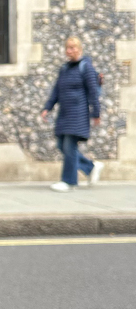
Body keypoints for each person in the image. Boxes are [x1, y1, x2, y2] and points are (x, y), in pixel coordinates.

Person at [41, 34, 103, 191]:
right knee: (62, 145)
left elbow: (93, 92)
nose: (69, 51)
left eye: (72, 48)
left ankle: (69, 182)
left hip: (78, 114)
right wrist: (47, 107)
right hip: (64, 113)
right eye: (67, 48)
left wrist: (96, 113)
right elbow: (56, 90)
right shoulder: (64, 68)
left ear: (79, 49)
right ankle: (90, 167)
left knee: (69, 146)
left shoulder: (86, 67)